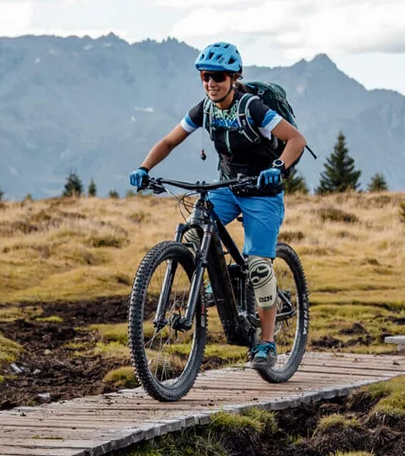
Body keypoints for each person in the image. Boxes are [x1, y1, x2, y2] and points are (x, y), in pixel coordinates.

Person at [129, 42, 308, 368]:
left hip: (262, 192)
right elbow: (169, 141)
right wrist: (144, 168)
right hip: (227, 187)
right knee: (193, 233)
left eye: (219, 77)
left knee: (258, 266)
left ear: (234, 77)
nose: (211, 83)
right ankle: (215, 283)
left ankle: (267, 343)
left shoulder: (252, 108)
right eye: (205, 77)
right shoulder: (205, 110)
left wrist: (277, 167)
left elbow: (296, 139)